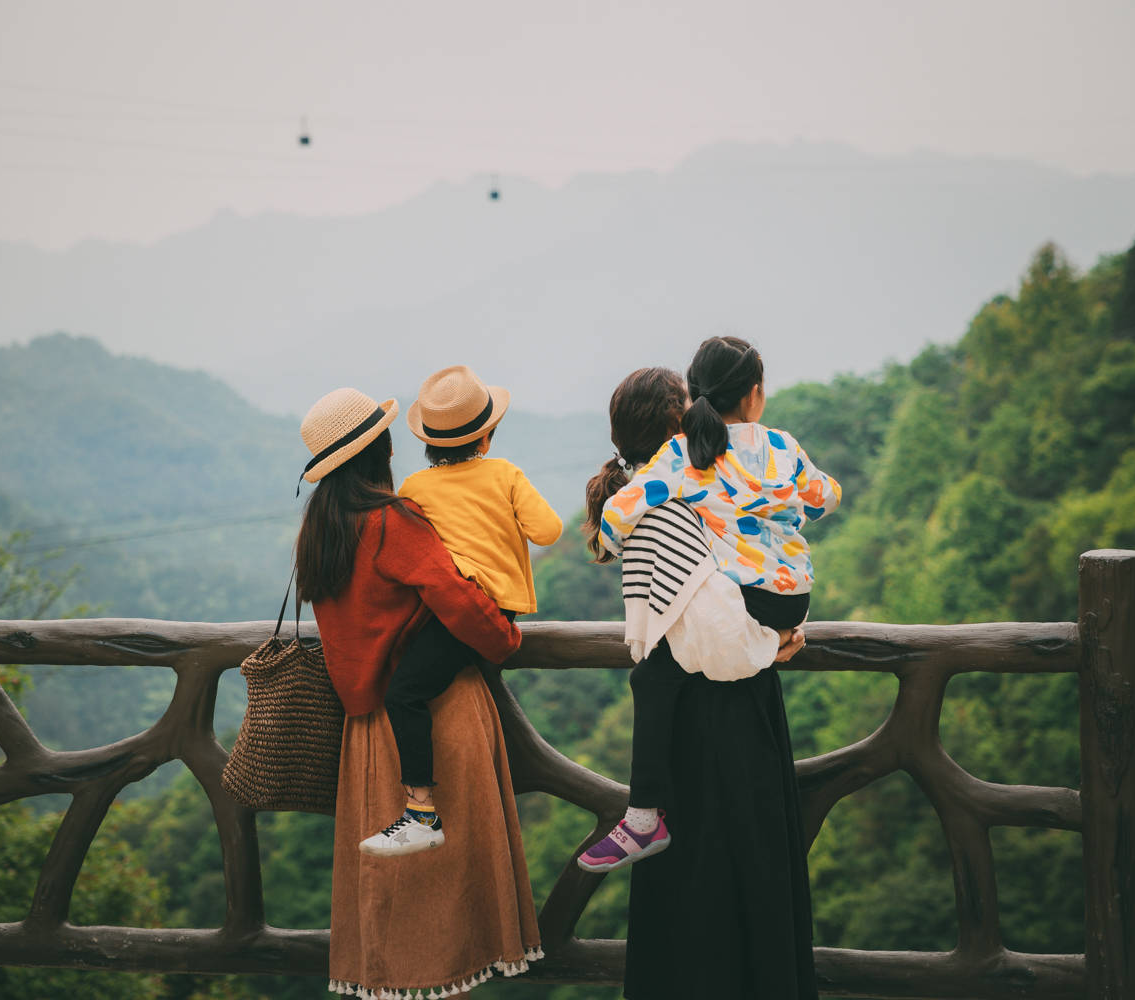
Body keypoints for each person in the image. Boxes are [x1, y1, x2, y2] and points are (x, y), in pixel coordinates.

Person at [294, 387, 543, 997]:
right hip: (436, 719)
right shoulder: (392, 523)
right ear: (380, 452)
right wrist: (507, 640)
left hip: (366, 732)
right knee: (452, 900)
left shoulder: (319, 533)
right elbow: (456, 597)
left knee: (389, 901)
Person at [578, 338, 839, 874]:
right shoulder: (783, 446)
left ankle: (644, 820)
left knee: (649, 678)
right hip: (794, 598)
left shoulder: (684, 460)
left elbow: (620, 512)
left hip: (743, 613)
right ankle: (646, 820)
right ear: (755, 395)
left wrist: (610, 537)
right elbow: (825, 497)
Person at [360, 365, 563, 856]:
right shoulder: (506, 474)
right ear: (486, 437)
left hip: (457, 613)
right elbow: (549, 531)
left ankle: (422, 813)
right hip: (498, 613)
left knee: (404, 693)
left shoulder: (414, 487)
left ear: (429, 441)